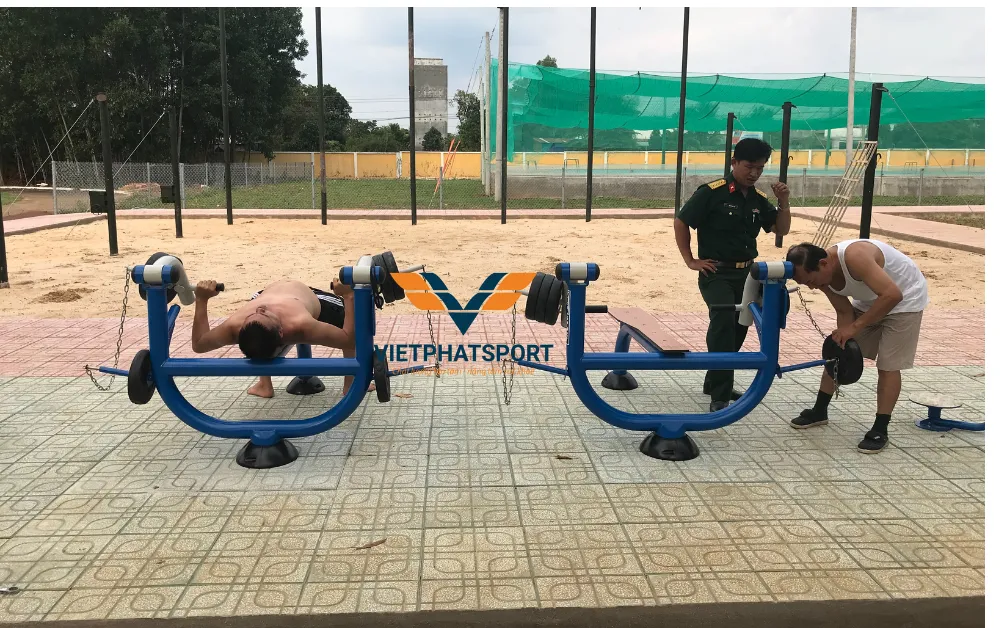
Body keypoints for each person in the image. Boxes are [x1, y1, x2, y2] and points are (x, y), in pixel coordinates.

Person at [674, 138, 792, 412]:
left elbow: (781, 229)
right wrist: (690, 260)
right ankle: (720, 394)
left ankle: (715, 380)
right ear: (734, 162)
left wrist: (784, 202)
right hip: (716, 272)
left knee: (741, 326)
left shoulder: (758, 199)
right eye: (749, 166)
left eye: (760, 168)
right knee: (723, 322)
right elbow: (682, 221)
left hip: (748, 274)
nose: (754, 173)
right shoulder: (712, 192)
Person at [785, 239, 929, 453]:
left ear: (823, 263)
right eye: (806, 284)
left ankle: (880, 428)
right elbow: (844, 311)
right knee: (837, 352)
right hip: (873, 299)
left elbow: (892, 295)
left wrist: (854, 328)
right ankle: (819, 410)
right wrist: (844, 340)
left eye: (811, 281)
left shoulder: (855, 256)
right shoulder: (824, 278)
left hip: (905, 299)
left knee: (888, 365)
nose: (812, 287)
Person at [191, 278, 366, 398]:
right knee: (346, 317)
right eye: (264, 314)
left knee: (256, 341)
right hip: (309, 297)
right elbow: (349, 339)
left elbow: (199, 343)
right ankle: (351, 384)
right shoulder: (301, 324)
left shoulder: (234, 326)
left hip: (262, 293)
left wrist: (201, 299)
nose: (260, 309)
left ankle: (264, 385)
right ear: (282, 331)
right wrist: (348, 296)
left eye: (255, 314)